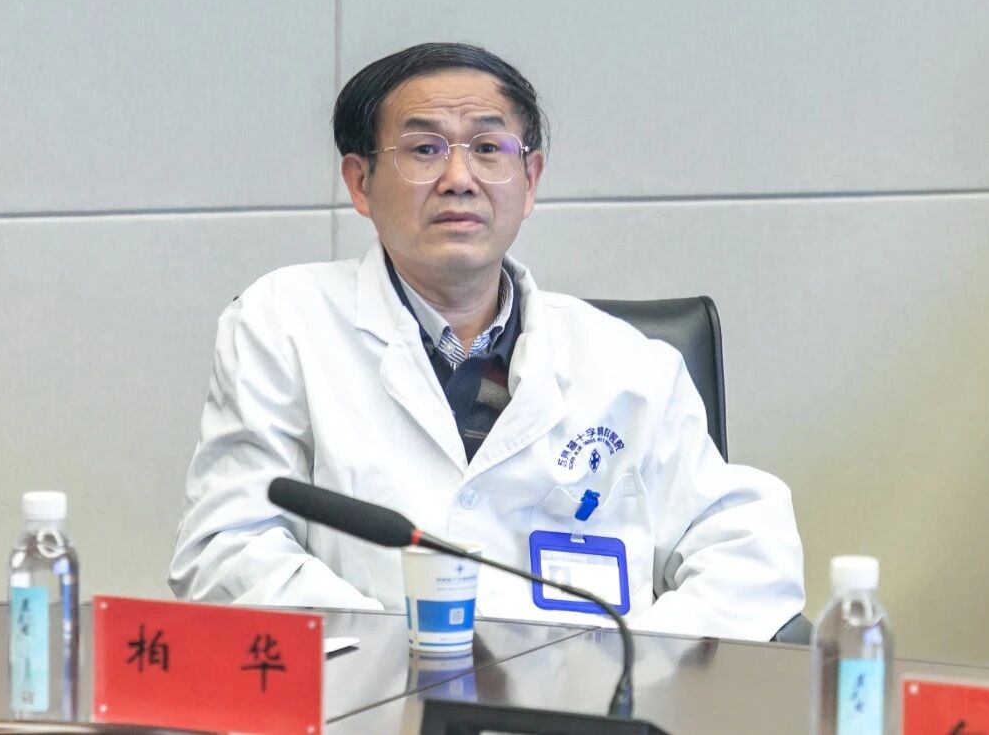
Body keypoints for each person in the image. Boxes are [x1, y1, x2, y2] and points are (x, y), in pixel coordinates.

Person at [168, 43, 804, 640]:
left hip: (587, 702)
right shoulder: (285, 322)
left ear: (530, 180)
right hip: (364, 694)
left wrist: (638, 666)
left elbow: (746, 549)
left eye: (488, 147)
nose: (458, 177)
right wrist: (400, 658)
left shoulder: (630, 363)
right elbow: (229, 546)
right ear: (360, 183)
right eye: (423, 149)